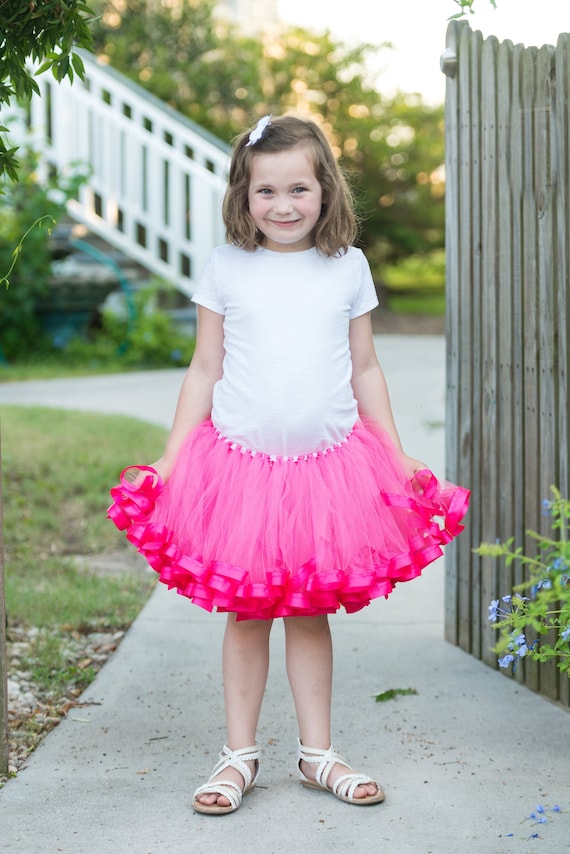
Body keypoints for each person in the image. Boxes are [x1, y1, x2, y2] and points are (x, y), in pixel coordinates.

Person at [108, 114, 469, 816]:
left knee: (308, 614)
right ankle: (238, 755)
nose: (282, 205)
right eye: (265, 191)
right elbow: (205, 368)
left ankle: (317, 754)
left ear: (325, 190)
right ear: (244, 195)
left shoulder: (347, 267)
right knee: (246, 612)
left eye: (298, 188)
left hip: (328, 474)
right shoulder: (227, 266)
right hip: (238, 473)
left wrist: (393, 452)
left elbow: (364, 368)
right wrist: (173, 457)